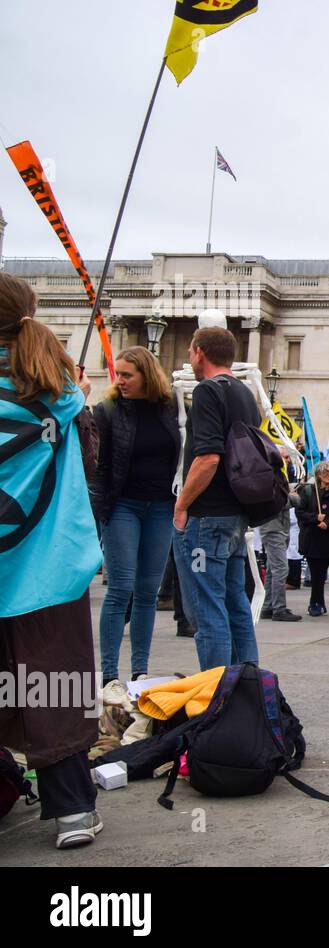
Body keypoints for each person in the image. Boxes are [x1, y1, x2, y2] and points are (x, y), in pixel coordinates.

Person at [0, 274, 103, 851]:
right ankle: (71, 813)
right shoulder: (59, 396)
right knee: (53, 687)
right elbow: (91, 462)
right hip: (45, 571)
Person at [90, 346, 181, 688]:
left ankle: (140, 670)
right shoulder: (108, 410)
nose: (120, 380)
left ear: (147, 374)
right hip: (123, 505)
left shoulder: (171, 407)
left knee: (147, 590)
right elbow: (100, 468)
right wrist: (102, 512)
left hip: (161, 507)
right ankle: (110, 675)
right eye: (119, 374)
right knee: (121, 588)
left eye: (128, 374)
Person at [171, 326, 261, 671]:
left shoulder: (208, 392)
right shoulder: (244, 394)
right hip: (236, 515)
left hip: (207, 516)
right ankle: (248, 685)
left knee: (207, 608)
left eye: (191, 351)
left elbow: (208, 458)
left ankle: (216, 696)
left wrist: (182, 505)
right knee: (236, 602)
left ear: (199, 352)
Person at [296, 461, 329, 616]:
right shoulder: (308, 491)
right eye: (327, 471)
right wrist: (315, 517)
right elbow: (300, 512)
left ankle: (318, 601)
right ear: (319, 474)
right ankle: (315, 603)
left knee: (321, 572)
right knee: (316, 571)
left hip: (328, 538)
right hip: (311, 538)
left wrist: (328, 523)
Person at [258, 498, 301, 623]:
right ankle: (279, 609)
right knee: (280, 569)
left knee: (273, 569)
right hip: (273, 528)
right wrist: (291, 497)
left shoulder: (272, 482)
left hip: (276, 528)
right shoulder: (269, 483)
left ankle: (268, 606)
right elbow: (279, 502)